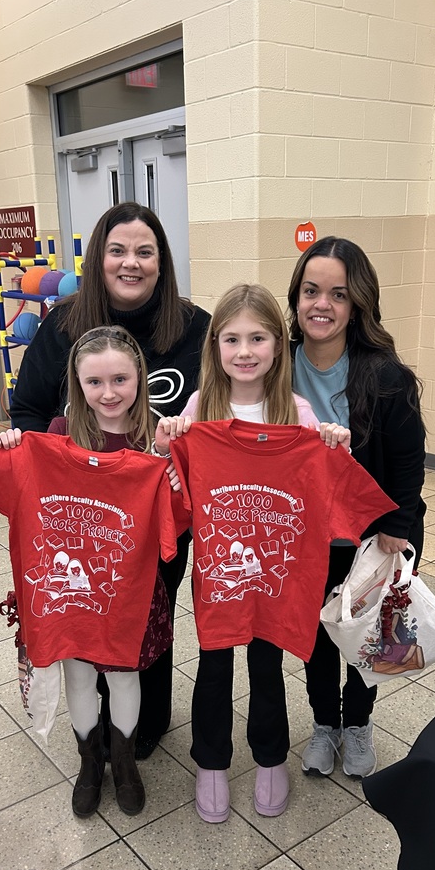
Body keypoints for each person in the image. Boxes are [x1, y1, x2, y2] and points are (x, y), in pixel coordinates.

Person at [10, 202, 210, 758]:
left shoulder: (196, 328)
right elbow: (27, 410)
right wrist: (44, 474)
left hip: (159, 512)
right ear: (98, 259)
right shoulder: (63, 323)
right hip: (82, 518)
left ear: (162, 262)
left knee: (150, 610)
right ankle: (92, 731)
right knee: (87, 608)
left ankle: (142, 726)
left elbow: (220, 411)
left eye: (144, 252)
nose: (131, 263)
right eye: (117, 251)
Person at [155, 283, 351, 824]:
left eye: (258, 338)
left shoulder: (298, 412)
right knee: (214, 666)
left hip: (276, 572)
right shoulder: (200, 407)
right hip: (218, 571)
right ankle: (212, 762)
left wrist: (336, 444)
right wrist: (165, 442)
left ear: (277, 343)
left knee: (267, 667)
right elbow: (176, 488)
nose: (245, 351)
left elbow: (325, 489)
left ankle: (269, 759)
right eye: (232, 338)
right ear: (214, 345)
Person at [0, 326, 182, 818]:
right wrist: (12, 444)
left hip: (132, 589)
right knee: (78, 673)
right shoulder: (56, 436)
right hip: (73, 590)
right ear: (77, 383)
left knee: (123, 677)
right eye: (95, 382)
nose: (109, 392)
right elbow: (19, 491)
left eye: (120, 378)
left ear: (141, 377)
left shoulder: (157, 437)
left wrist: (173, 474)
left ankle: (125, 762)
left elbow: (180, 519)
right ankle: (89, 762)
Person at [288, 236, 426, 779]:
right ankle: (325, 725)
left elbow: (408, 463)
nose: (322, 304)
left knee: (368, 639)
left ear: (357, 304)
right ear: (296, 298)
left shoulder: (385, 375)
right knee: (318, 641)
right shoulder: (279, 366)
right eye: (311, 290)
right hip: (305, 537)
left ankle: (359, 723)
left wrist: (398, 523)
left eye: (338, 294)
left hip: (371, 538)